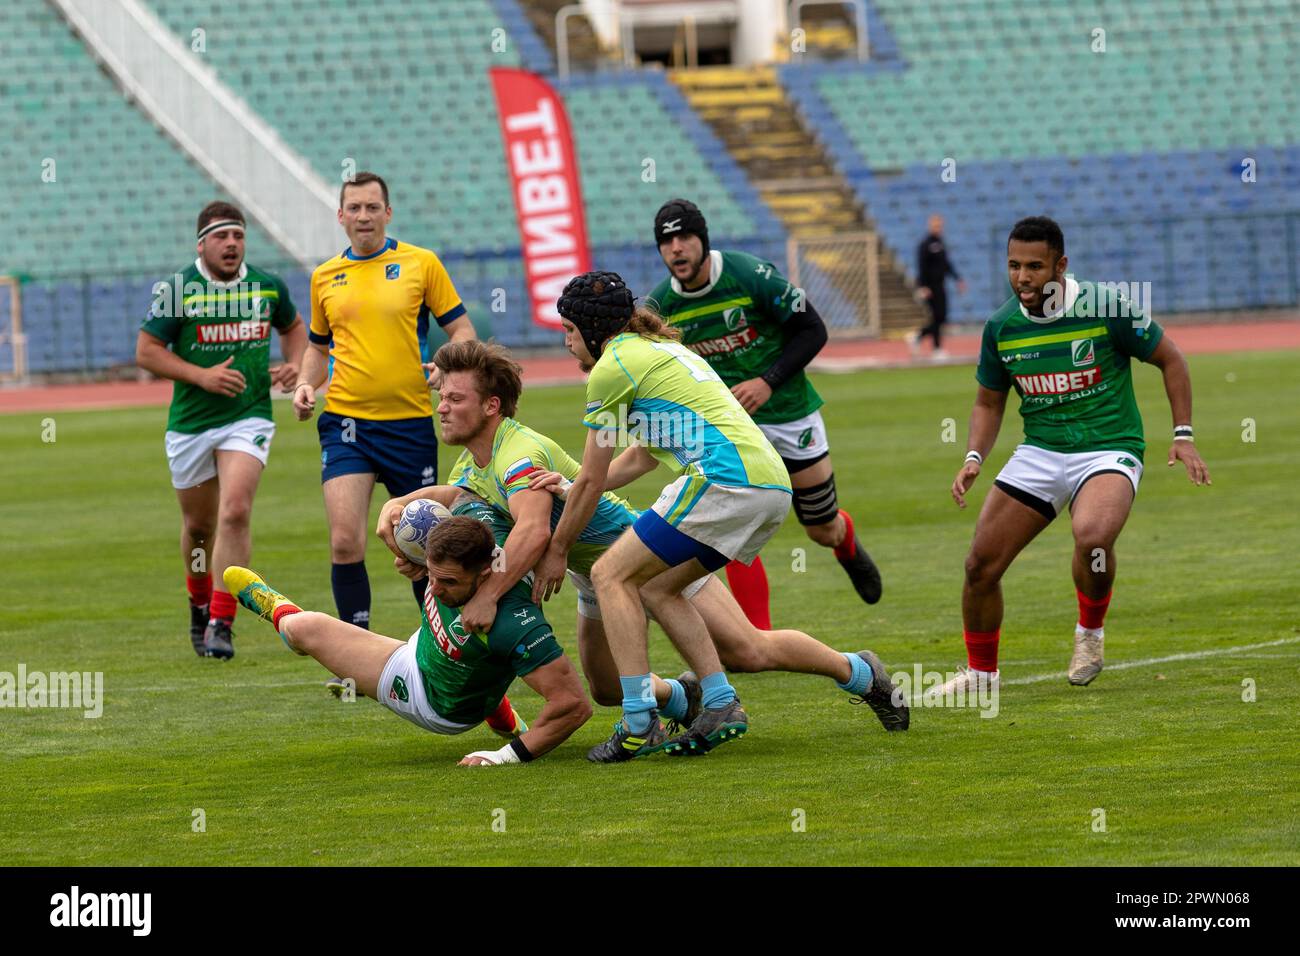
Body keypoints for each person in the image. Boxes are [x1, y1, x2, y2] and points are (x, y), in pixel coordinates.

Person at [373, 339, 908, 746]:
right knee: (605, 687)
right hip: (597, 575)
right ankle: (683, 696)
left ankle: (860, 673)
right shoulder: (478, 457)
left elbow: (535, 531)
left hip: (645, 553)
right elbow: (454, 491)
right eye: (441, 397)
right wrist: (398, 507)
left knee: (747, 649)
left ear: (491, 406)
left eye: (454, 398)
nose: (441, 406)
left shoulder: (517, 454)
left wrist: (489, 595)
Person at [535, 272, 907, 762]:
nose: (566, 342)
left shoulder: (613, 367)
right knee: (670, 596)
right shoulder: (659, 351)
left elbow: (591, 480)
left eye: (568, 330)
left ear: (592, 328)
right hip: (766, 484)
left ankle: (640, 722)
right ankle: (856, 675)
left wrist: (558, 548)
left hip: (723, 481)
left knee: (609, 573)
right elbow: (641, 457)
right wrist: (574, 484)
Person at [943, 216, 1210, 696]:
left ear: (1060, 265)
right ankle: (981, 676)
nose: (1022, 277)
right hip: (1041, 451)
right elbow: (988, 401)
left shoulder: (1107, 307)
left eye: (1034, 266)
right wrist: (973, 457)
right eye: (1013, 265)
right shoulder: (1002, 326)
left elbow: (1171, 358)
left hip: (1109, 446)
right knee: (980, 566)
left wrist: (1183, 434)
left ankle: (1089, 635)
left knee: (1093, 536)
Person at [645, 199, 881, 635]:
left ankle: (843, 540)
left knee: (819, 528)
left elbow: (814, 329)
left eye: (684, 238)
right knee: (734, 527)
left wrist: (767, 381)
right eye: (666, 241)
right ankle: (758, 637)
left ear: (703, 239)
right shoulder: (660, 307)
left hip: (789, 413)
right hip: (729, 430)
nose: (676, 249)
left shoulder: (750, 276)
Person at [222, 502, 591, 767]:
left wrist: (504, 757)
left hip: (430, 698)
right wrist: (395, 508)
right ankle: (500, 712)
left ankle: (273, 609)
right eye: (431, 573)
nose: (436, 587)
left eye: (448, 581)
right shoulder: (478, 525)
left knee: (304, 628)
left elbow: (573, 706)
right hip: (422, 649)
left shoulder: (514, 623)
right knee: (475, 657)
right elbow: (457, 494)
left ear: (484, 575)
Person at [292, 171, 475, 642]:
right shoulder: (325, 276)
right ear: (341, 216)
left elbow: (462, 332)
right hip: (346, 424)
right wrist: (305, 384)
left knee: (427, 545)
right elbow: (316, 347)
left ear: (387, 213)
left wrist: (446, 367)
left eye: (373, 207)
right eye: (354, 207)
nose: (364, 215)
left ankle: (440, 644)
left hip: (410, 426)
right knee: (345, 539)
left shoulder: (421, 264)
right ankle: (356, 646)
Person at [137, 201, 307, 659]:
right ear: (202, 244)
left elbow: (294, 328)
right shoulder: (178, 289)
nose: (231, 244)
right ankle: (197, 602)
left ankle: (221, 621)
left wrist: (294, 365)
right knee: (198, 526)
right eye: (220, 236)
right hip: (191, 423)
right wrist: (201, 375)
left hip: (247, 416)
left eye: (238, 236)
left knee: (234, 511)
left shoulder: (267, 286)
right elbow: (148, 350)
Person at [909, 214, 967, 359]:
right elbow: (921, 267)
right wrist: (923, 286)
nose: (938, 228)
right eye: (936, 225)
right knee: (936, 317)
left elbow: (946, 264)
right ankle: (936, 349)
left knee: (941, 317)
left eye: (940, 226)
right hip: (930, 286)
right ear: (930, 226)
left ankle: (918, 336)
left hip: (940, 285)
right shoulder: (925, 244)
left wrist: (957, 278)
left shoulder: (940, 243)